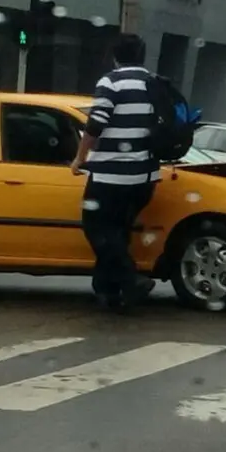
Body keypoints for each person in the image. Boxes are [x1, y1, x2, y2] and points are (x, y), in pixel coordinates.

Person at [69, 34, 159, 311]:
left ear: (115, 56)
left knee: (96, 226)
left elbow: (95, 124)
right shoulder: (154, 83)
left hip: (111, 174)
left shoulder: (112, 81)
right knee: (118, 232)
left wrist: (79, 158)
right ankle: (109, 291)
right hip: (145, 175)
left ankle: (131, 279)